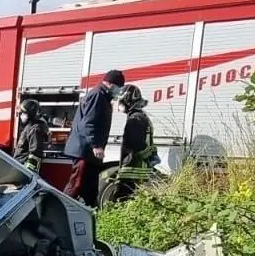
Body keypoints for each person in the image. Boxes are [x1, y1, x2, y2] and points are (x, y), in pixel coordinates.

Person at [63, 69, 124, 208]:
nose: (118, 91)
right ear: (110, 84)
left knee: (90, 188)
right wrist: (96, 145)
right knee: (76, 185)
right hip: (84, 150)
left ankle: (90, 212)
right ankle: (63, 210)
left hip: (88, 152)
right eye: (118, 87)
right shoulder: (98, 95)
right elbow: (89, 123)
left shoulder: (103, 96)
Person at [107, 85, 156, 203]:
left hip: (132, 169)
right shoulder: (141, 117)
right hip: (137, 169)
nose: (119, 105)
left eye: (121, 101)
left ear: (128, 100)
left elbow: (136, 145)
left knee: (120, 200)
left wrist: (125, 166)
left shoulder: (135, 119)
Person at [13, 99, 49, 173]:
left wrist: (28, 173)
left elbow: (34, 154)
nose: (21, 115)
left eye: (23, 113)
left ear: (29, 114)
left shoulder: (35, 130)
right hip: (19, 166)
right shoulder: (29, 127)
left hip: (23, 169)